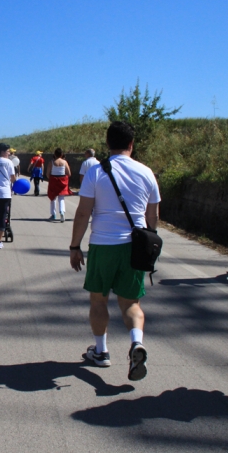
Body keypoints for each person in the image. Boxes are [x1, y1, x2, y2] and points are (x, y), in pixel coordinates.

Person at [69, 121, 160, 381]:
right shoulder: (146, 172)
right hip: (135, 247)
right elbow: (153, 217)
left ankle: (101, 351)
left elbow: (84, 212)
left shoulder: (96, 172)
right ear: (132, 144)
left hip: (103, 245)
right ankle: (136, 342)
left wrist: (75, 246)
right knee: (131, 303)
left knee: (98, 300)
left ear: (107, 144)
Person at [46, 148, 73, 222]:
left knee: (53, 197)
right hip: (62, 181)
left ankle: (53, 214)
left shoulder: (51, 162)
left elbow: (48, 174)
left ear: (54, 154)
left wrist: (51, 178)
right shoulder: (65, 162)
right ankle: (62, 212)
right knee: (61, 198)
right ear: (61, 154)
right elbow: (69, 173)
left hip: (53, 180)